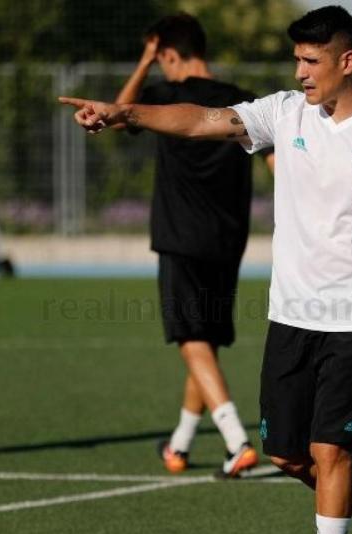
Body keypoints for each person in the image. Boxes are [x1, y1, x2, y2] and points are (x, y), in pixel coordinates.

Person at [60, 5, 352, 534]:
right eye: (296, 60)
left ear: (347, 61)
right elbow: (200, 119)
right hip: (293, 313)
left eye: (311, 61)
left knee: (333, 450)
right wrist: (124, 112)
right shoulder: (283, 113)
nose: (300, 72)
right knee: (286, 452)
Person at [114, 13, 272, 479]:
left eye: (160, 59)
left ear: (168, 54)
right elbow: (276, 161)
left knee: (191, 338)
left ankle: (236, 441)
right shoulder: (240, 101)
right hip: (228, 238)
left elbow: (118, 115)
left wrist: (143, 62)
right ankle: (180, 444)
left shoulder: (166, 96)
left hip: (181, 236)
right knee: (204, 342)